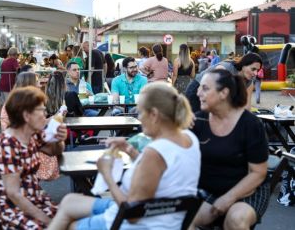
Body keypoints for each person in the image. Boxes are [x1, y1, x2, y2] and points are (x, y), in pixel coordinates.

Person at [47, 81, 201, 230]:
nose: (139, 118)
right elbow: (162, 178)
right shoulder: (189, 139)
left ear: (154, 114)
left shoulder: (154, 153)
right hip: (167, 217)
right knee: (69, 201)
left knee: (69, 225)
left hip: (140, 223)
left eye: (141, 112)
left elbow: (132, 215)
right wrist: (130, 151)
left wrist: (107, 176)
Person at [190, 69, 269, 230]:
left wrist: (228, 199)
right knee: (182, 219)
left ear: (223, 93)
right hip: (211, 190)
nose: (198, 93)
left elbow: (258, 173)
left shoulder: (250, 124)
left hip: (249, 190)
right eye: (199, 88)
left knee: (236, 220)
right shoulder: (198, 120)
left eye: (205, 88)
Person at [0, 86, 67, 229]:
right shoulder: (7, 145)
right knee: (66, 222)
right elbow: (13, 194)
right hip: (11, 210)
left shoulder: (30, 134)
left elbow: (53, 151)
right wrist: (48, 222)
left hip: (33, 199)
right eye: (41, 110)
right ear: (26, 116)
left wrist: (59, 139)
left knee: (71, 218)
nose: (46, 114)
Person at [185, 52, 262, 112]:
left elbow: (246, 106)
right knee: (197, 122)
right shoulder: (225, 68)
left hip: (212, 96)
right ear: (243, 65)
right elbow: (214, 93)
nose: (255, 73)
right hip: (197, 89)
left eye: (257, 70)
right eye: (253, 69)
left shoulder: (249, 82)